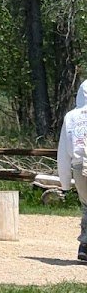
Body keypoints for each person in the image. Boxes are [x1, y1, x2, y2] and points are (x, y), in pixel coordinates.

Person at [57, 79, 87, 262]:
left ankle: (85, 245)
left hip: (79, 165)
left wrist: (65, 183)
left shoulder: (71, 117)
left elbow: (63, 152)